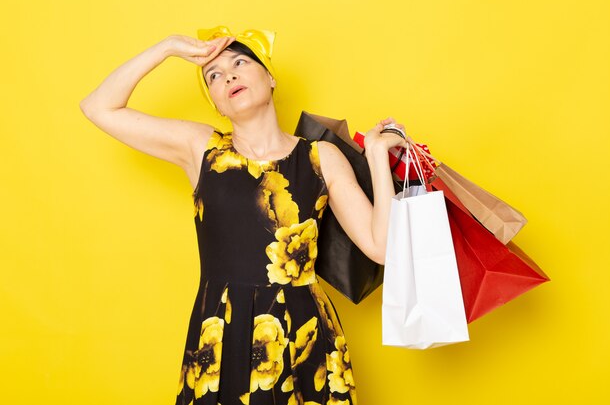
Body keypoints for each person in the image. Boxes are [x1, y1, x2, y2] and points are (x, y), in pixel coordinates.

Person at [79, 26, 407, 405]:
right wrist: (167, 47)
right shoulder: (201, 149)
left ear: (269, 77)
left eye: (239, 62)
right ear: (217, 104)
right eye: (213, 75)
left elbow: (381, 247)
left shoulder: (320, 158)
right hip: (223, 333)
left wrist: (378, 159)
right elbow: (97, 107)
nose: (228, 75)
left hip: (304, 334)